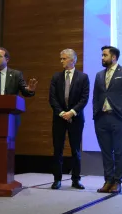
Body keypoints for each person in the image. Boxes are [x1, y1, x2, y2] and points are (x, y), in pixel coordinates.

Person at [93, 46, 122, 193]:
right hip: (101, 118)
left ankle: (117, 181)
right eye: (102, 55)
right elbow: (95, 97)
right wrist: (95, 113)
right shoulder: (99, 75)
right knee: (106, 152)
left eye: (105, 55)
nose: (102, 58)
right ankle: (108, 180)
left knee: (118, 151)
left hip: (118, 117)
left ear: (114, 57)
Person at [49, 49, 90, 190]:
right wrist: (62, 113)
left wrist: (72, 113)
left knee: (75, 150)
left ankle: (76, 179)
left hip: (76, 119)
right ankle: (57, 179)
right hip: (59, 118)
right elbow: (52, 99)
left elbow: (84, 98)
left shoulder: (83, 77)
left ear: (72, 60)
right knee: (58, 150)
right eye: (61, 58)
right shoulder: (56, 77)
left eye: (64, 58)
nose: (61, 61)